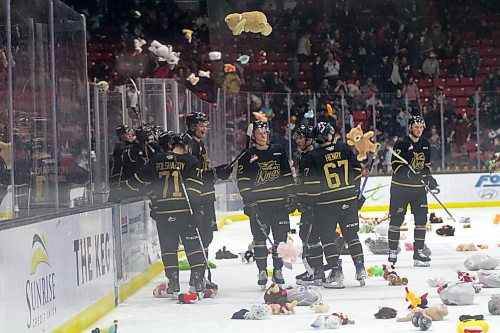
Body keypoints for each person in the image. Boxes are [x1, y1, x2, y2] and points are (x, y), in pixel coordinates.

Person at [125, 131, 207, 296]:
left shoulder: (156, 160)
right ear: (185, 146)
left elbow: (137, 182)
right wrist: (197, 211)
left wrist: (121, 190)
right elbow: (193, 189)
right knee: (193, 245)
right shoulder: (191, 161)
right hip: (186, 212)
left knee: (168, 247)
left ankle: (174, 282)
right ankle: (198, 279)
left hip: (163, 212)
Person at [300, 122, 366, 288]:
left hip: (326, 204)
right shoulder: (344, 149)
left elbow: (312, 186)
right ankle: (360, 269)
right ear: (330, 135)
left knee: (327, 237)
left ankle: (336, 272)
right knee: (352, 235)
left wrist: (309, 203)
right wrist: (355, 193)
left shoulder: (313, 156)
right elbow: (358, 172)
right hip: (348, 201)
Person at [236, 120, 295, 288]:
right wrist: (249, 201)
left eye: (265, 132)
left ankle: (278, 270)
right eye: (259, 133)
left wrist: (291, 196)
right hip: (259, 206)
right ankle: (262, 270)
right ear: (253, 136)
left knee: (280, 240)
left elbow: (287, 176)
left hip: (279, 206)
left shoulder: (278, 151)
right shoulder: (247, 155)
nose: (263, 135)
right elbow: (243, 181)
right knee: (259, 240)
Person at [388, 115, 438, 267]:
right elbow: (396, 165)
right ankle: (392, 250)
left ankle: (419, 252)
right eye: (416, 127)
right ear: (410, 127)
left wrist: (429, 177)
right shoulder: (401, 143)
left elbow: (426, 165)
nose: (419, 129)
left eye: (421, 127)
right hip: (400, 190)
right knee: (396, 220)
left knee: (422, 221)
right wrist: (409, 174)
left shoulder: (425, 144)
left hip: (418, 190)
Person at [185, 112, 233, 271]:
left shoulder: (199, 144)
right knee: (200, 233)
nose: (204, 128)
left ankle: (202, 267)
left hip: (206, 194)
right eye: (201, 125)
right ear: (192, 127)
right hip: (197, 197)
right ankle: (198, 269)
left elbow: (203, 171)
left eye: (206, 125)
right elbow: (191, 174)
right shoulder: (189, 146)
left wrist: (217, 172)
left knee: (207, 234)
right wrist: (215, 173)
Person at [293, 125, 326, 286]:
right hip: (308, 203)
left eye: (300, 138)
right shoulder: (304, 156)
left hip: (316, 204)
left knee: (311, 235)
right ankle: (313, 269)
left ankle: (318, 270)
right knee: (305, 233)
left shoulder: (315, 156)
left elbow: (317, 183)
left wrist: (312, 204)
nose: (297, 141)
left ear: (309, 139)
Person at [109, 125, 135, 202]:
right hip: (119, 182)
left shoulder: (129, 146)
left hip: (128, 181)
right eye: (127, 134)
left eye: (131, 134)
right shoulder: (119, 148)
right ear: (121, 136)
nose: (130, 136)